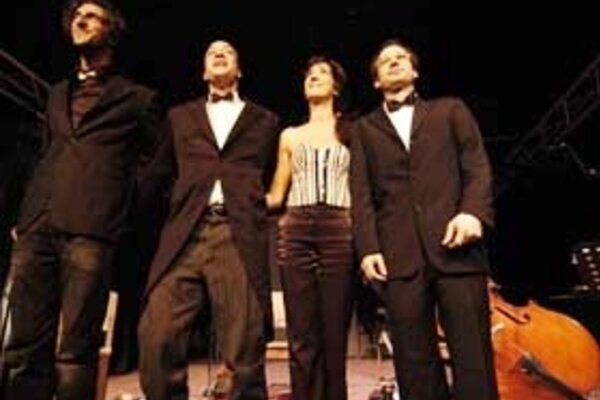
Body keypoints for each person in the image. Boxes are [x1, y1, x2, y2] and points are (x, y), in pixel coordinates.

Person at [0, 1, 165, 399]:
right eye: (76, 16)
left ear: (112, 30)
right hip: (38, 225)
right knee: (22, 344)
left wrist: (118, 211)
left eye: (91, 15)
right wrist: (28, 212)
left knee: (76, 349)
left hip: (92, 228)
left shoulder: (137, 99)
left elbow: (157, 167)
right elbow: (46, 154)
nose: (81, 20)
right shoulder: (57, 94)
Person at [351, 38, 499, 400]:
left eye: (401, 57)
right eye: (385, 60)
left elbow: (477, 167)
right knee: (414, 363)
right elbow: (361, 194)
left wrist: (472, 214)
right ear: (376, 80)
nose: (394, 61)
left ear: (414, 71)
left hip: (456, 250)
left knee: (474, 358)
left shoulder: (450, 110)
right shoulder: (364, 129)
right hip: (399, 258)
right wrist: (368, 248)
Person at [138, 39, 280, 400]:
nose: (219, 53)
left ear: (239, 70)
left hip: (237, 233)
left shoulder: (266, 121)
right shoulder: (180, 117)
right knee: (157, 334)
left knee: (245, 345)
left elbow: (276, 178)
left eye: (228, 51)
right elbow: (157, 174)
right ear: (204, 72)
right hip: (185, 233)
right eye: (212, 51)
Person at [266, 56, 354, 400]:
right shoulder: (290, 135)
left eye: (322, 73)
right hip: (296, 229)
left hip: (339, 228)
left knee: (334, 330)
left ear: (336, 87)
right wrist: (230, 195)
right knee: (301, 334)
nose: (313, 78)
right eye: (309, 75)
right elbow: (277, 194)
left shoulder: (353, 131)